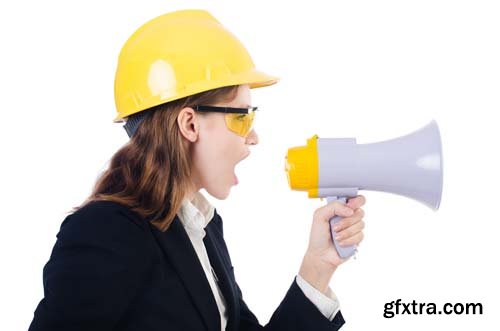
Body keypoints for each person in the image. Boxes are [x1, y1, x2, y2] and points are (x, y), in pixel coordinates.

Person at [29, 9, 366, 331]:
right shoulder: (104, 230)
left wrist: (318, 266)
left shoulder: (201, 228)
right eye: (242, 116)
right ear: (190, 123)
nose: (253, 136)